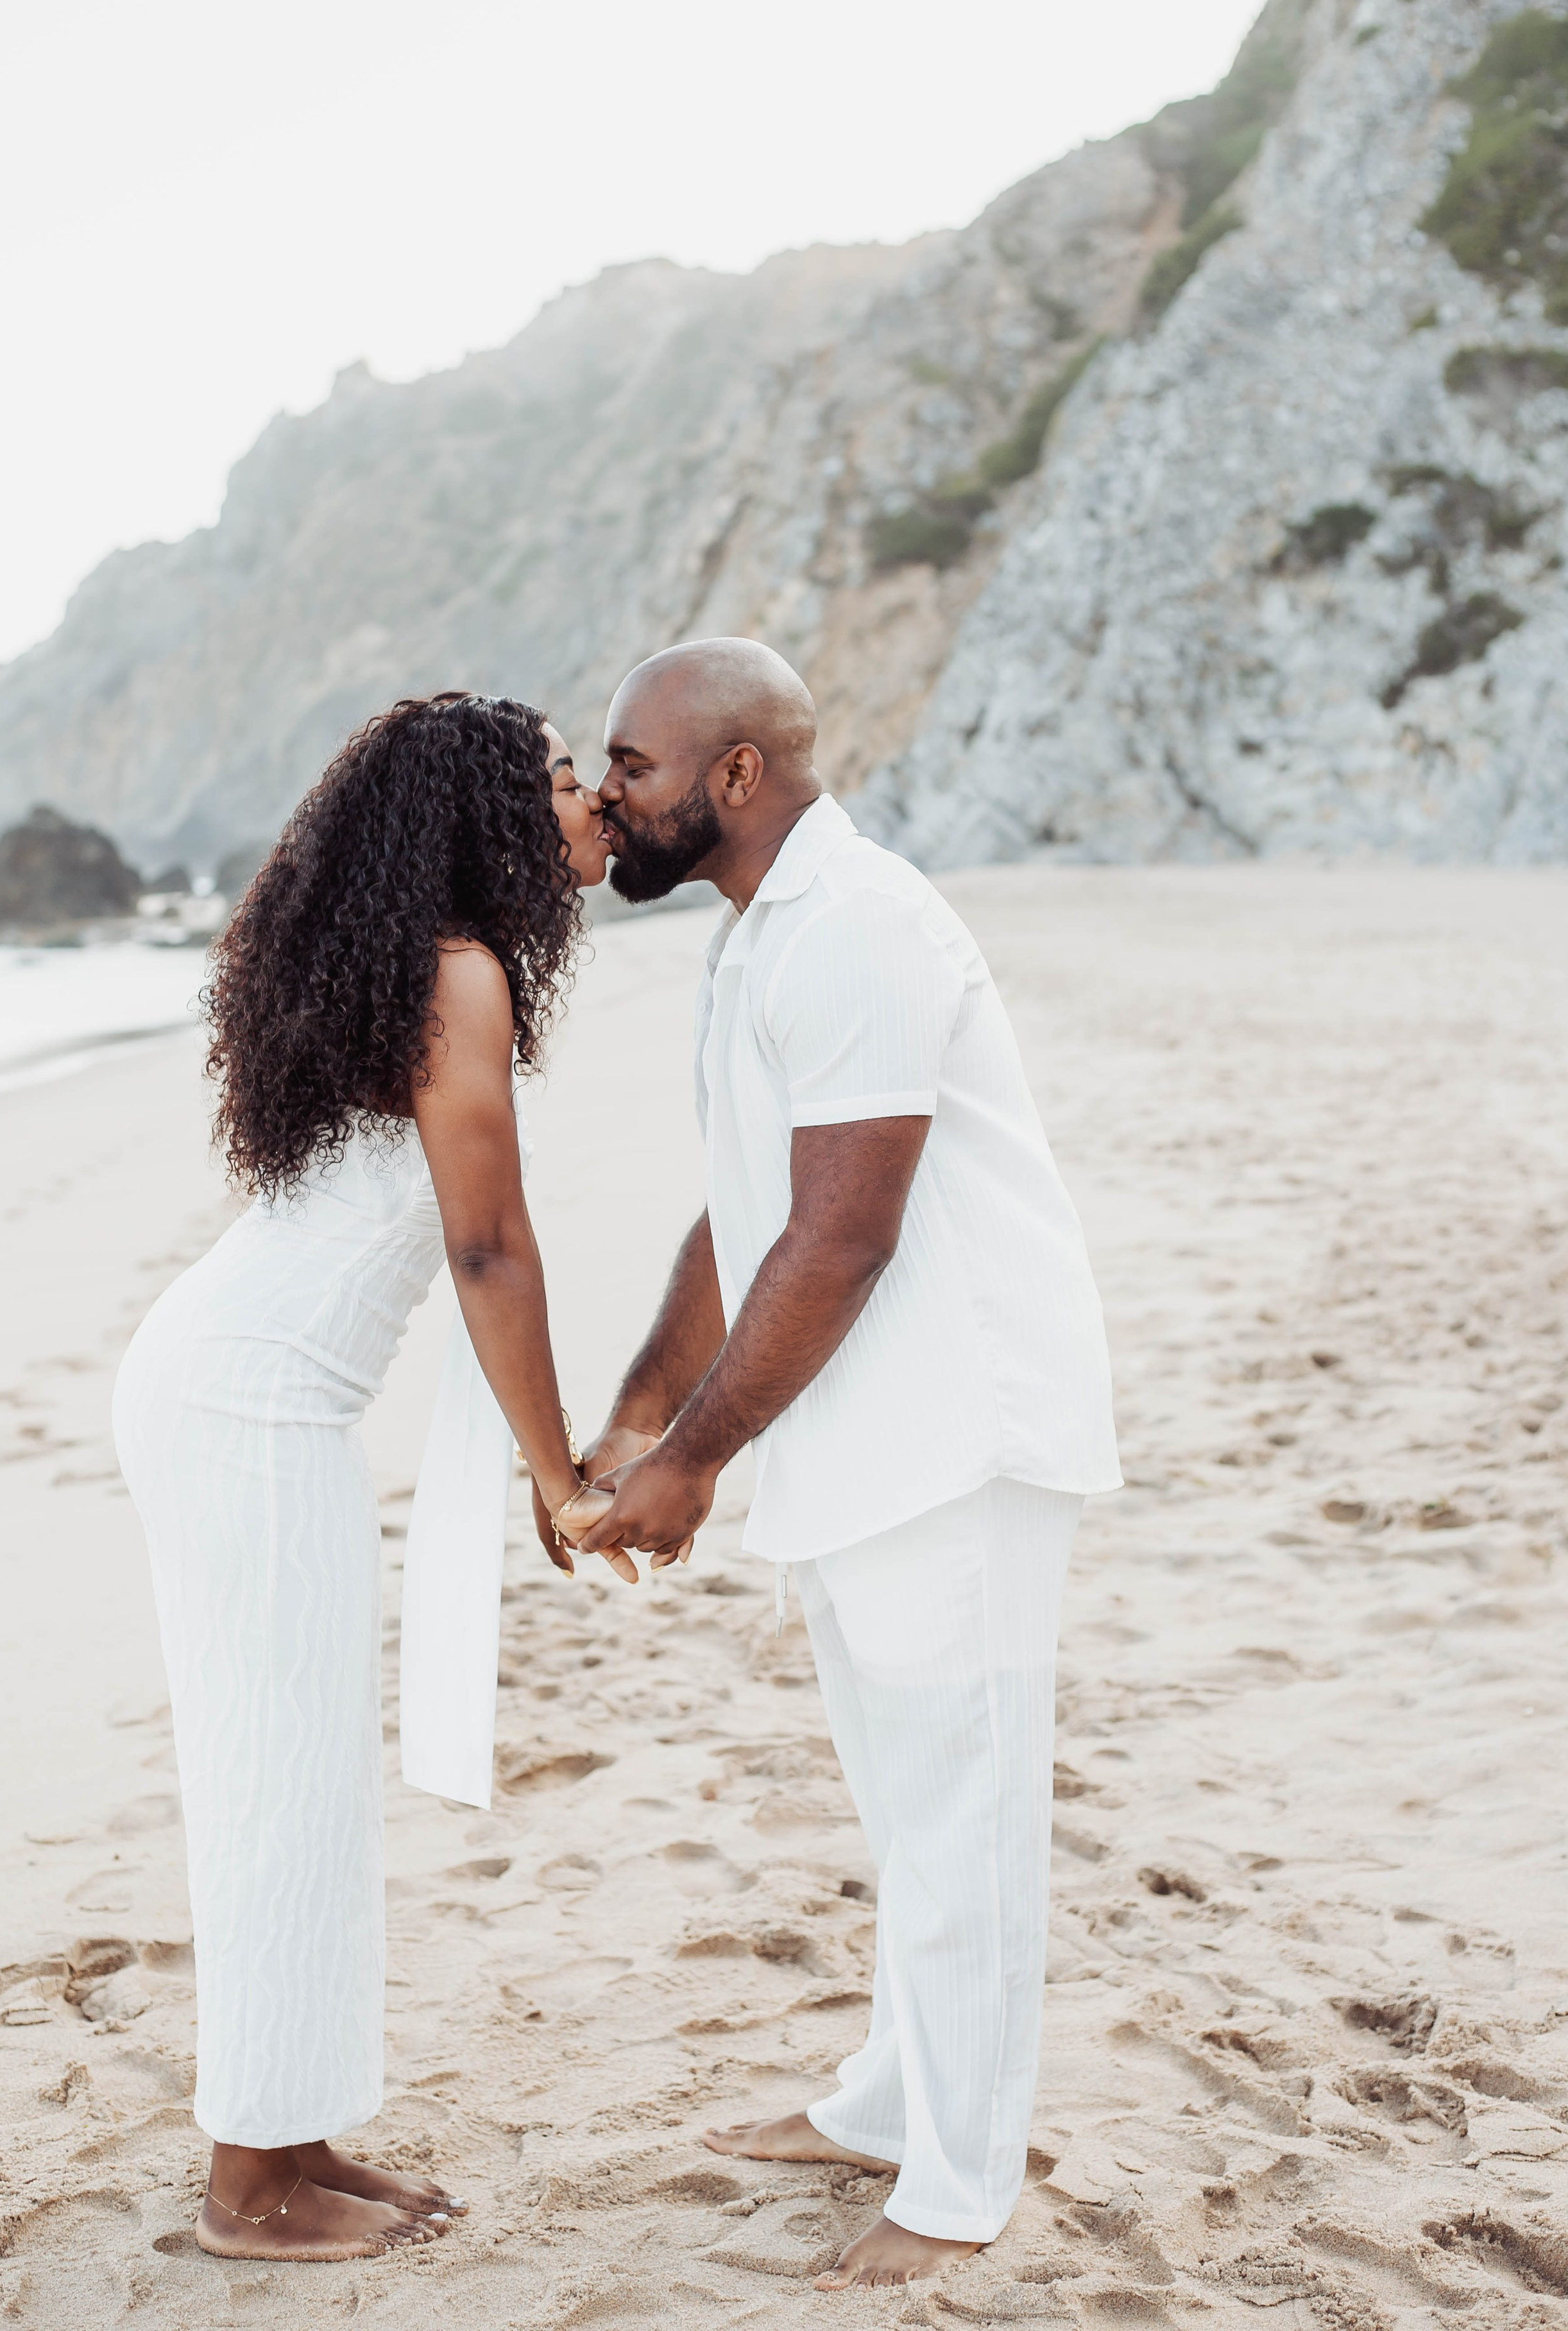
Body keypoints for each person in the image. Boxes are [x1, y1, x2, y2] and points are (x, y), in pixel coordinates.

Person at [570, 638, 1121, 2293]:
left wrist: (695, 1459)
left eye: (633, 764)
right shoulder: (758, 935)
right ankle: (890, 2103)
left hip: (954, 1429)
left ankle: (957, 2188)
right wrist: (639, 1411)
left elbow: (838, 1236)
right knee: (906, 1811)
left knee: (962, 1822)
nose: (607, 793)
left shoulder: (859, 926)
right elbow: (743, 1208)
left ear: (737, 773)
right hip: (856, 1430)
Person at [112, 694, 617, 2262]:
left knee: (307, 1774)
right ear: (490, 820)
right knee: (276, 1780)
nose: (594, 802)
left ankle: (296, 2132)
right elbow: (487, 1246)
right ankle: (247, 2188)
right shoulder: (454, 973)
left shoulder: (423, 966)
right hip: (243, 1408)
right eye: (562, 781)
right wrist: (559, 1472)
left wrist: (547, 1457)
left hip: (242, 1395)